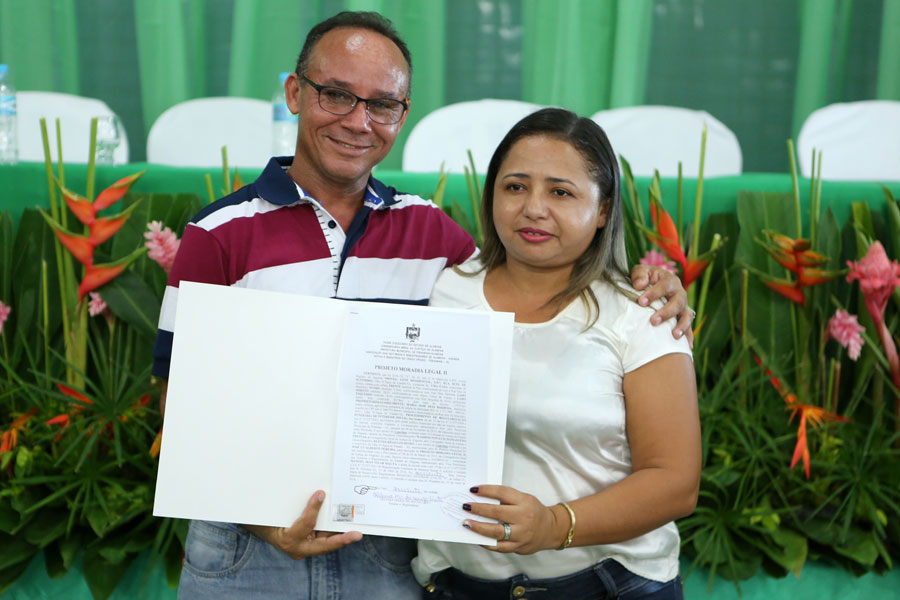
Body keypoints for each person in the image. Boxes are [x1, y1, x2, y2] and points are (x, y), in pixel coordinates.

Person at [151, 11, 695, 599]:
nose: (359, 121)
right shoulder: (218, 232)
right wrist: (263, 517)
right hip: (247, 547)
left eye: (382, 104)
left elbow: (533, 266)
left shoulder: (435, 241)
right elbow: (179, 399)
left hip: (385, 549)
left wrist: (653, 288)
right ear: (294, 94)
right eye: (336, 95)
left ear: (402, 115)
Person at [413, 108, 701, 599]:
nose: (533, 209)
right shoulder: (445, 289)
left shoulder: (641, 313)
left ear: (604, 209)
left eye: (561, 192)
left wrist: (553, 524)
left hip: (608, 585)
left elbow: (676, 482)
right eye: (515, 187)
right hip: (459, 585)